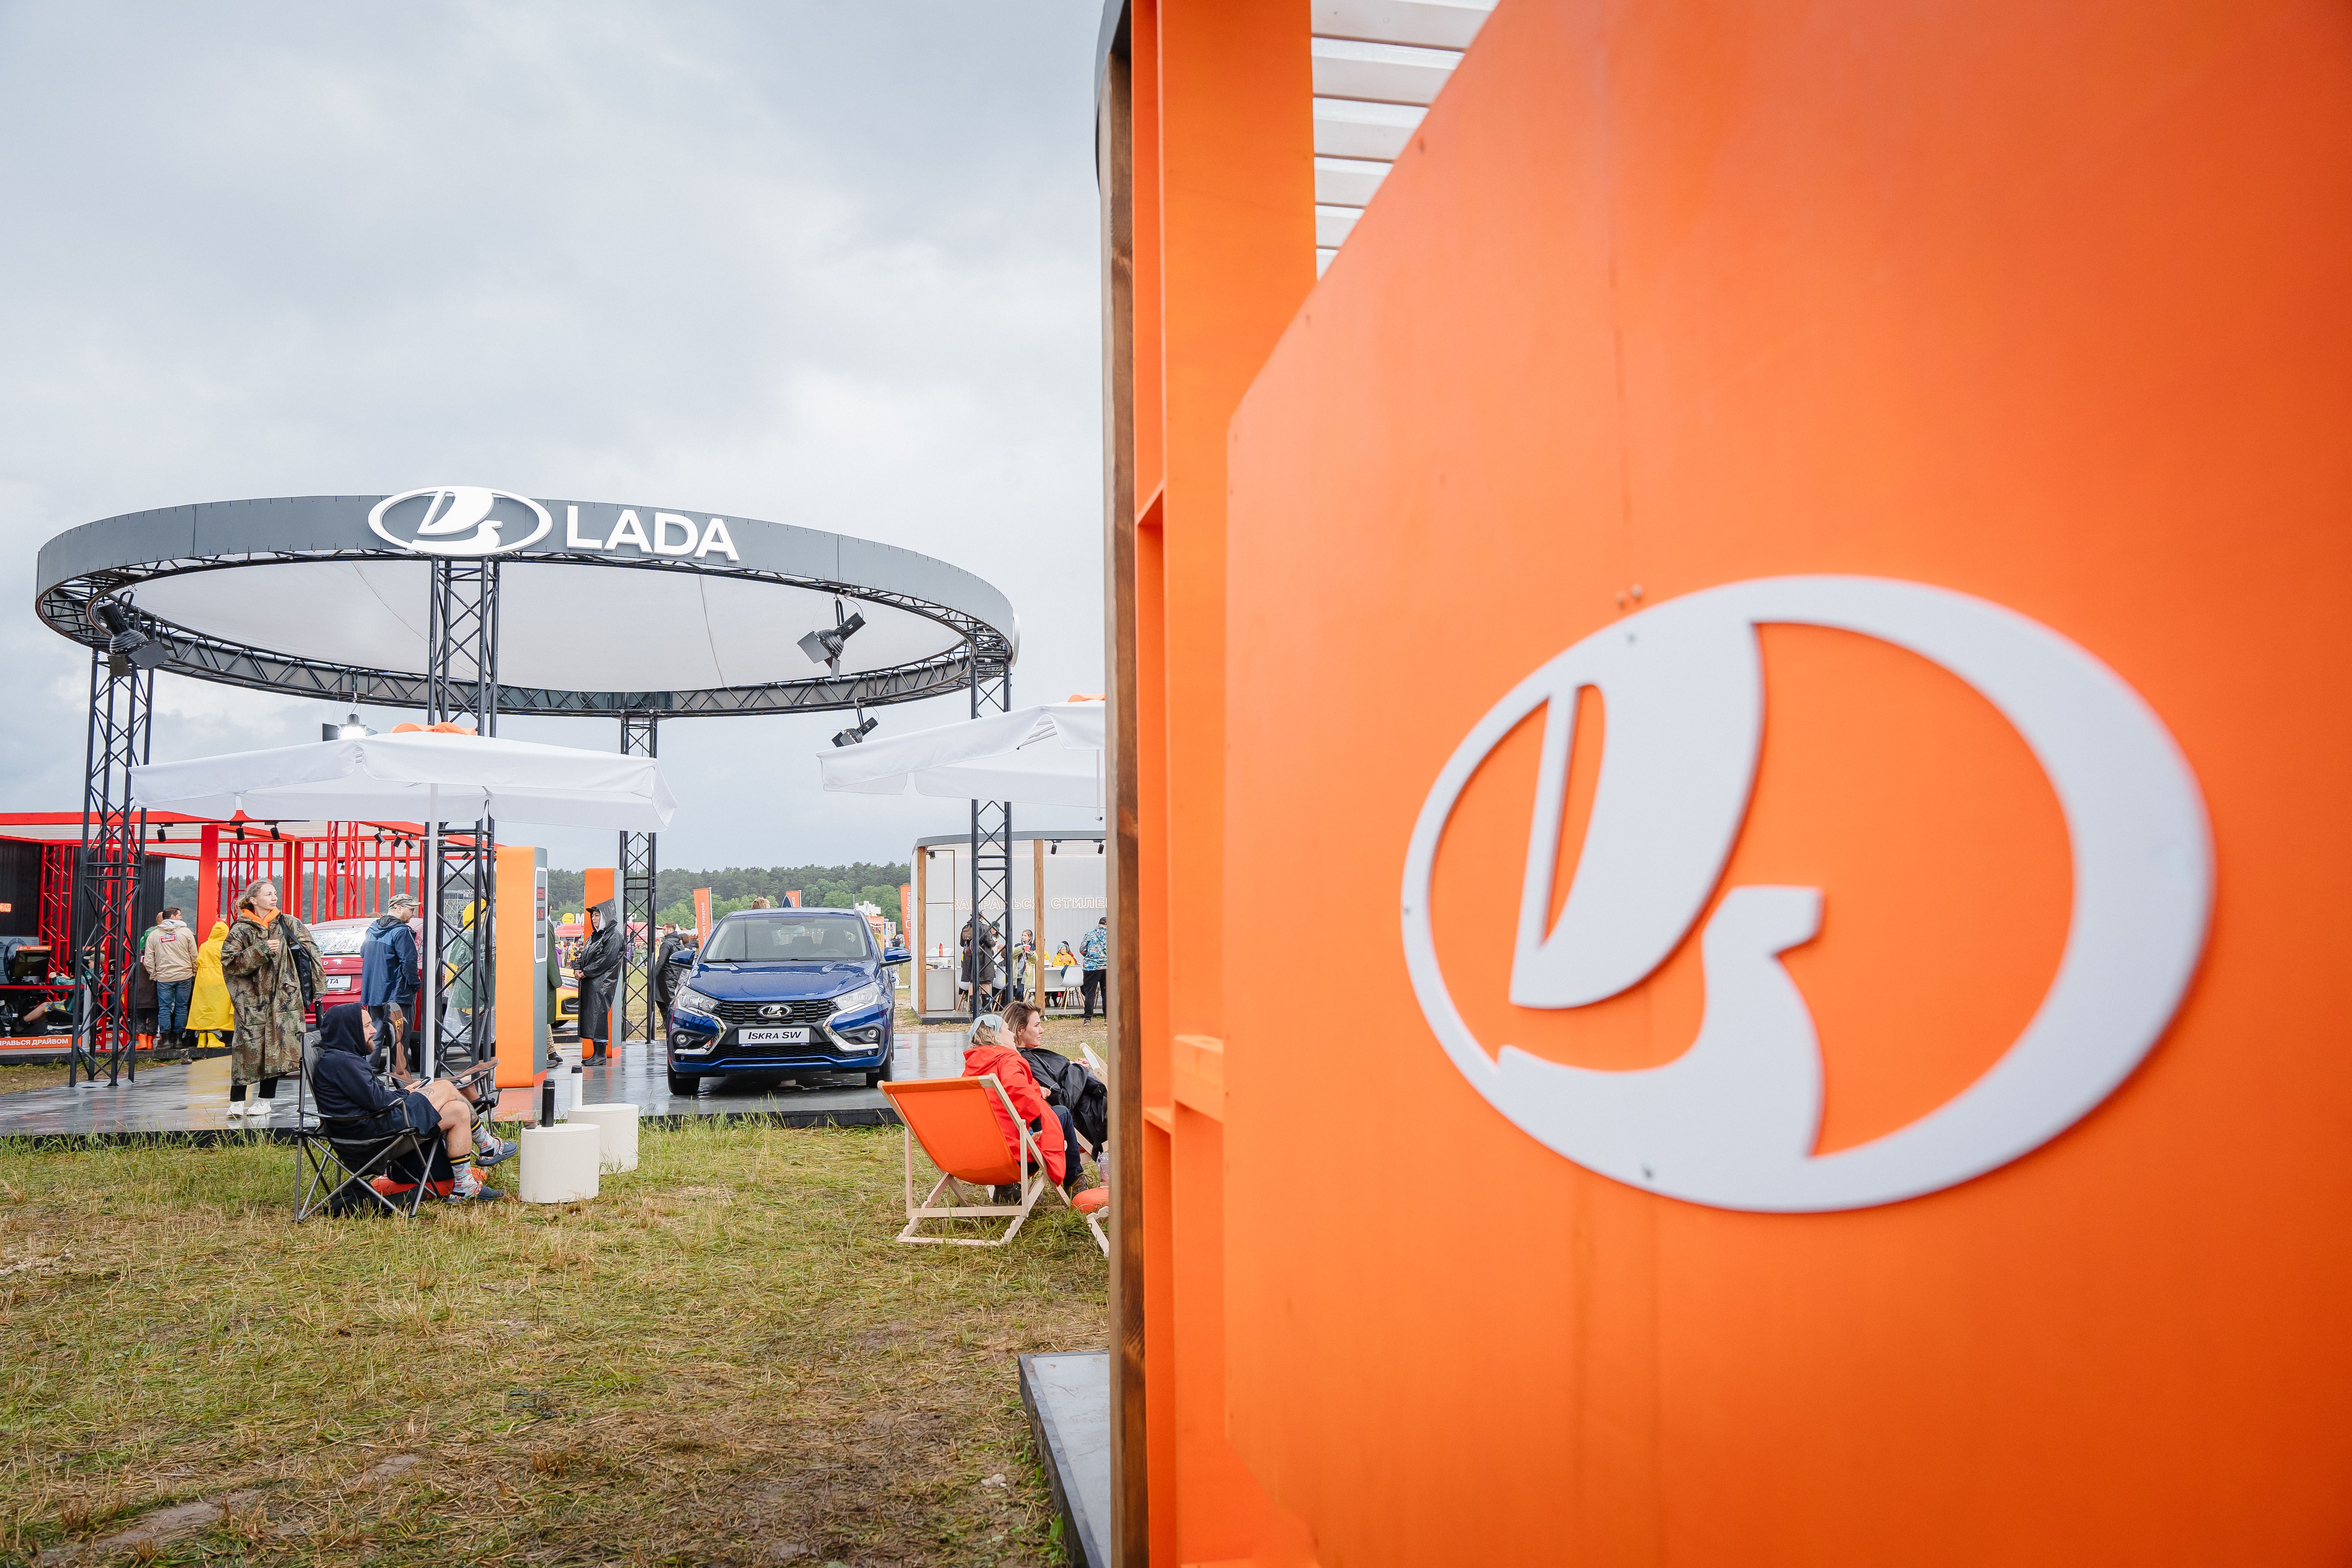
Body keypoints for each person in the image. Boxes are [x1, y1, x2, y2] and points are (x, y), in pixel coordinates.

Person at [308, 1004, 513, 1201]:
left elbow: (373, 1099)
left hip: (375, 1127)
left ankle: (464, 1185)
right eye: (367, 1026)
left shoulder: (343, 1060)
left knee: (457, 1110)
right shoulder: (342, 1062)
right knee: (444, 1086)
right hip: (372, 1136)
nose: (374, 1031)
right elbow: (379, 1102)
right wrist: (406, 1094)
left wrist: (406, 1092)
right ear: (349, 1031)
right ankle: (487, 1145)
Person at [218, 879, 322, 1121]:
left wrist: (317, 988)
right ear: (253, 900)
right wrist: (261, 950)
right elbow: (230, 963)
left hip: (285, 999)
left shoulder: (289, 923)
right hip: (251, 1001)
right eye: (268, 894)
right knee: (246, 1049)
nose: (274, 898)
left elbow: (312, 953)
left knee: (277, 1049)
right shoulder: (241, 929)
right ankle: (236, 1101)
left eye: (275, 894)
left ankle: (265, 1101)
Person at [962, 1012, 1075, 1198]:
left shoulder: (970, 1070)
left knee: (1000, 1124)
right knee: (1062, 1113)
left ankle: (1006, 1189)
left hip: (981, 1156)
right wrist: (1036, 1122)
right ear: (996, 1036)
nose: (1012, 1034)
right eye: (1007, 1029)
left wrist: (1036, 1090)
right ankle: (1075, 1183)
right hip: (1017, 1157)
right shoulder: (1007, 1059)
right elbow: (1017, 1088)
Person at [1003, 1000, 1105, 1191]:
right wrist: (1077, 1070)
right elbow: (1064, 1100)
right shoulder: (1022, 1063)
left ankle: (1005, 1188)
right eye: (1037, 1025)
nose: (1042, 1030)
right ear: (1020, 1031)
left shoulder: (1006, 1062)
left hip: (1012, 1140)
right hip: (1084, 1118)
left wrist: (1072, 1068)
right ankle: (1075, 1182)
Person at [360, 894, 420, 1079]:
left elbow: (363, 953)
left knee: (374, 1035)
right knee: (400, 1038)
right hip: (398, 993)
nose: (413, 914)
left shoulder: (372, 929)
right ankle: (401, 1079)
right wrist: (415, 985)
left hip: (374, 992)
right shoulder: (402, 932)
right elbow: (409, 962)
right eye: (411, 909)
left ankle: (366, 1077)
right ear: (399, 908)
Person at [573, 898, 626, 1061]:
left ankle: (601, 1053)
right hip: (592, 982)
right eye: (593, 916)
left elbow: (606, 960)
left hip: (603, 983)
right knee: (592, 1016)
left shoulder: (614, 937)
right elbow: (584, 956)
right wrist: (577, 968)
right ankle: (597, 1053)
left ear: (606, 917)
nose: (594, 918)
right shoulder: (594, 936)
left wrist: (586, 972)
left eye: (597, 915)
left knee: (599, 1016)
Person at [142, 906, 198, 1055]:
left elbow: (149, 959)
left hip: (164, 977)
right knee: (182, 1008)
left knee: (164, 1009)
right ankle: (179, 1040)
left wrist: (155, 974)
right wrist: (193, 971)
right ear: (173, 917)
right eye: (179, 915)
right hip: (184, 976)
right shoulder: (186, 932)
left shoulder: (154, 935)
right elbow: (194, 955)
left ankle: (165, 1040)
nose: (182, 918)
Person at [187, 919, 234, 1053]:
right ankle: (214, 1038)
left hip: (203, 980)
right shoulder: (225, 946)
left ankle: (202, 1038)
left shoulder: (204, 946)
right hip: (220, 980)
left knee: (203, 1008)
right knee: (218, 1010)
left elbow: (198, 961)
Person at [1079, 916, 1109, 1022]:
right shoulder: (1112, 936)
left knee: (1090, 993)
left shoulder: (1090, 934)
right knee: (1106, 994)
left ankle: (1088, 1019)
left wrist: (1092, 957)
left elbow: (1082, 950)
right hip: (1107, 967)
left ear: (1098, 924)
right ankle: (1107, 1018)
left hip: (1091, 968)